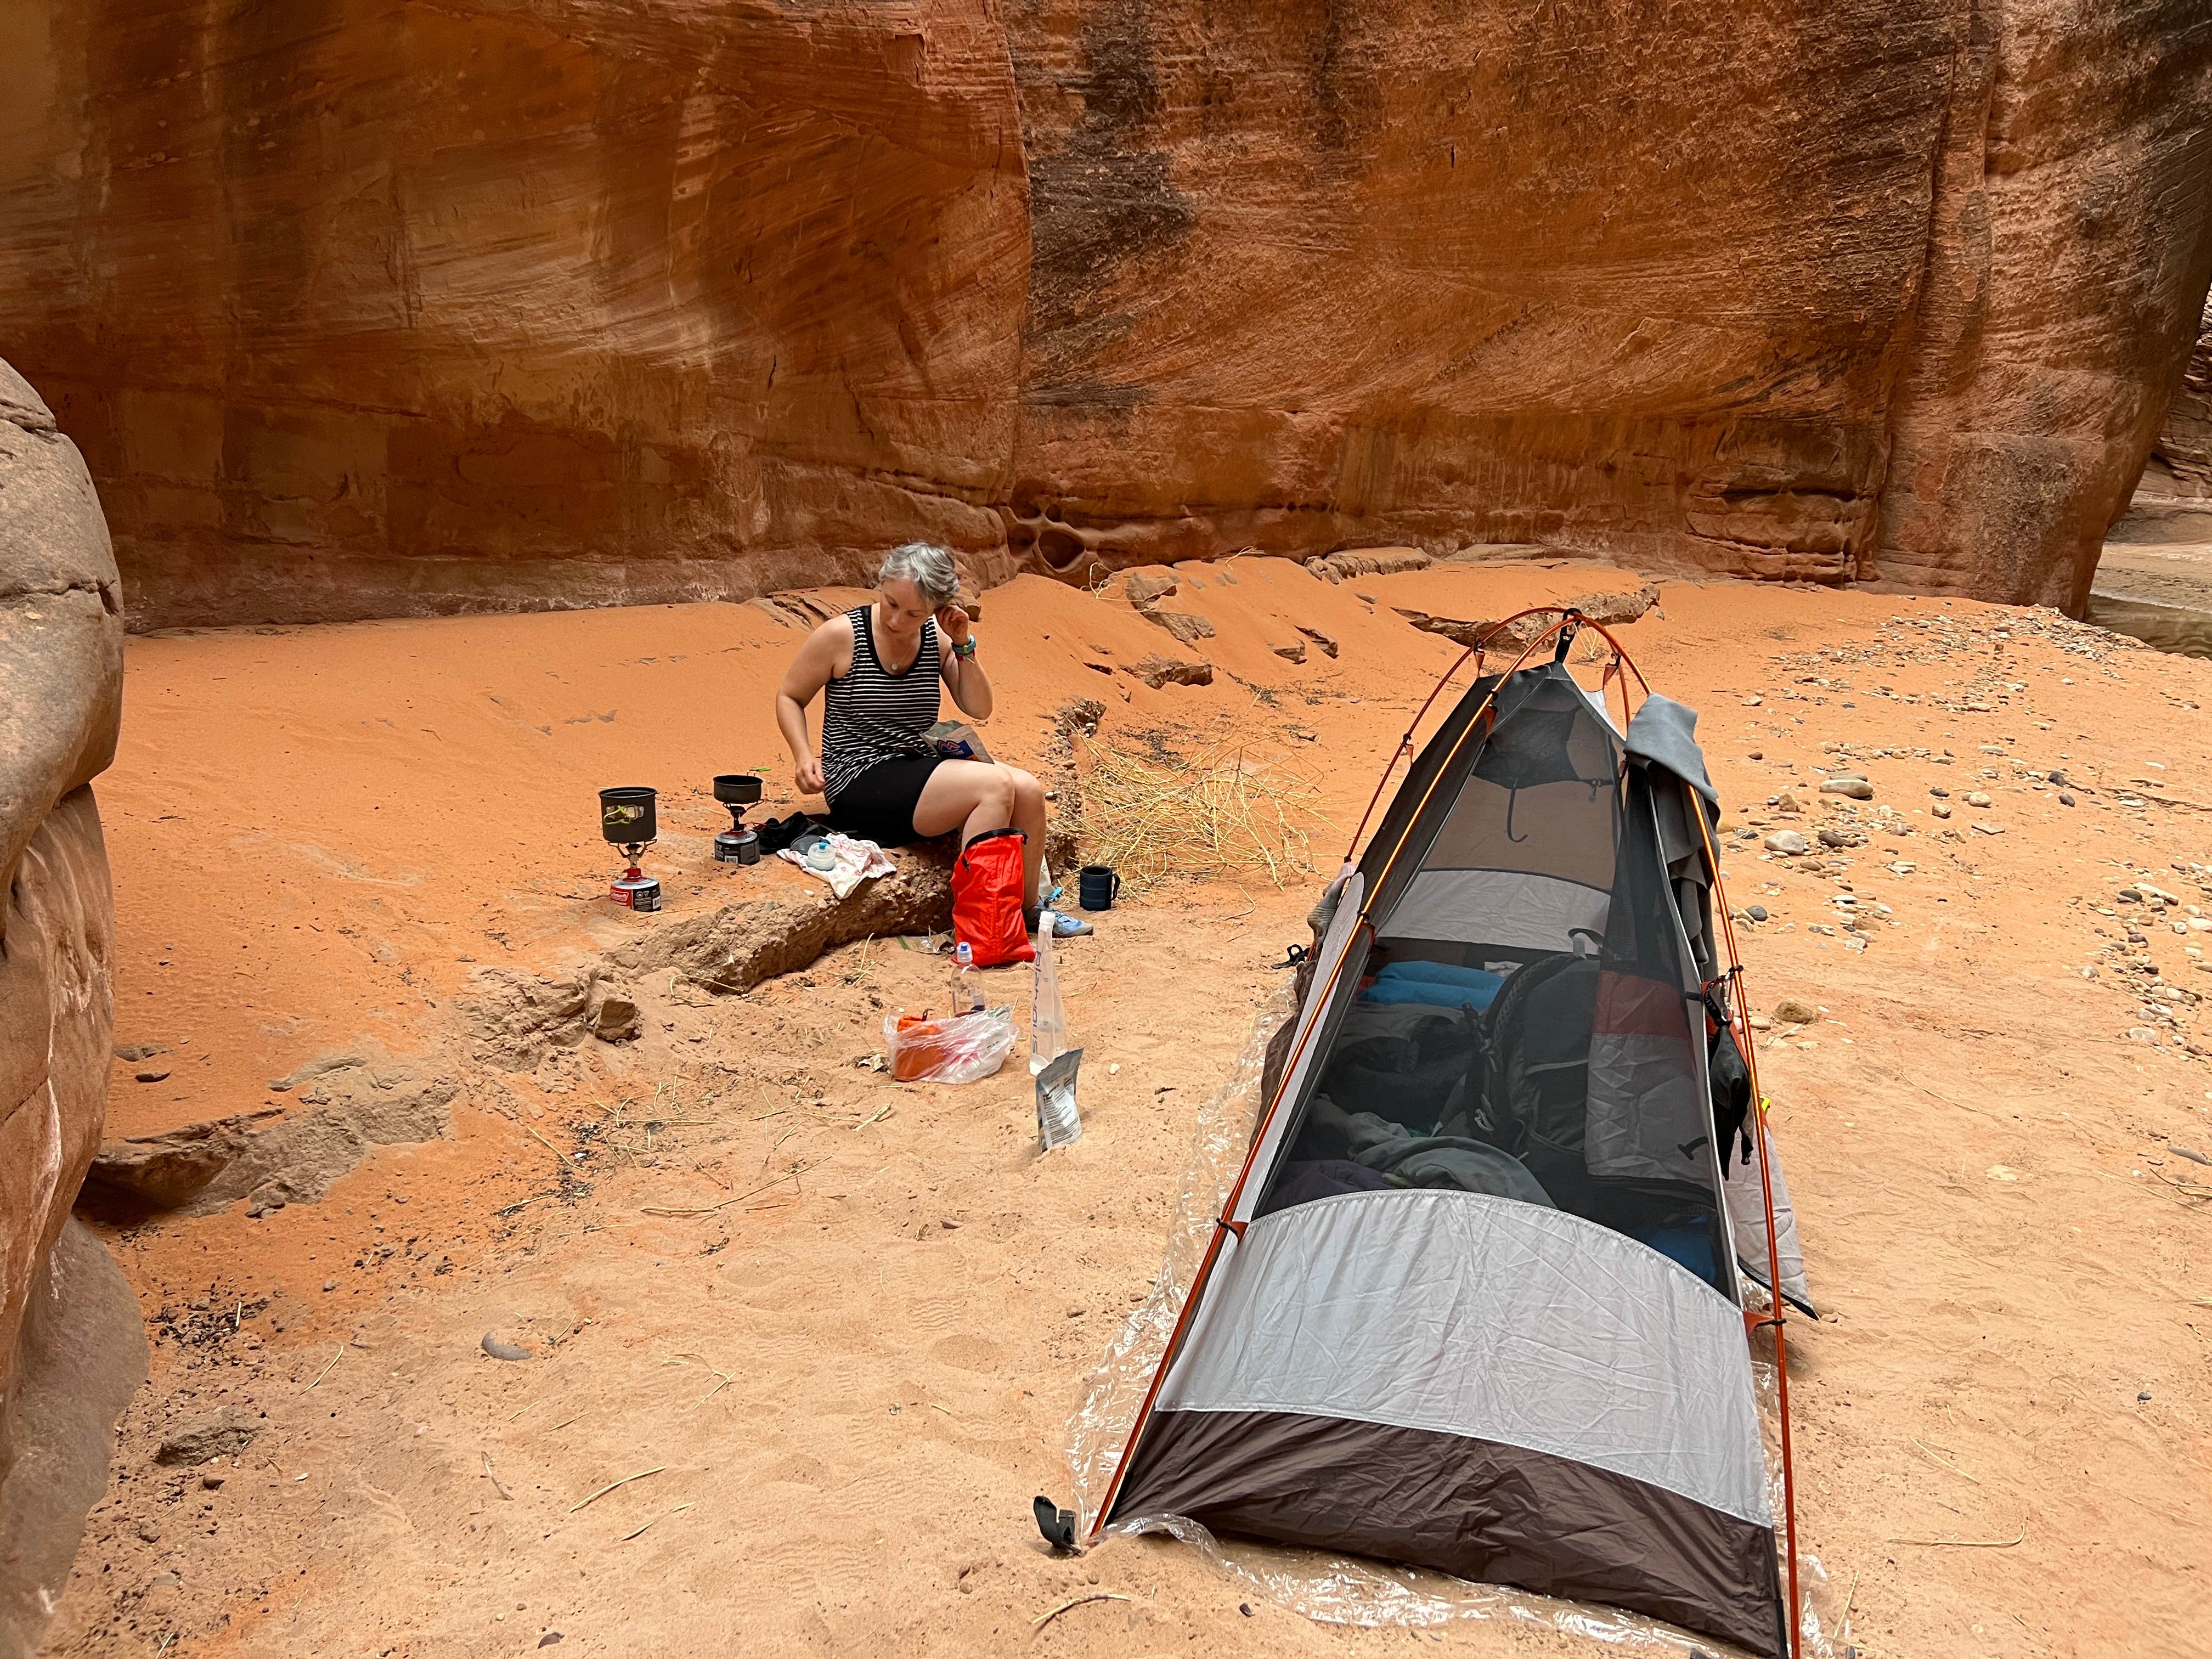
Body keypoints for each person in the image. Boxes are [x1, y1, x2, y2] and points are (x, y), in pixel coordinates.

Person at [775, 543, 1087, 936]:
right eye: (891, 603)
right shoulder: (842, 636)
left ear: (936, 610)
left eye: (914, 614)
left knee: (1028, 789)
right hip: (858, 776)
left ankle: (1028, 910)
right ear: (881, 584)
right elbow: (790, 696)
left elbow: (979, 707)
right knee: (994, 786)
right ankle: (981, 926)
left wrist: (962, 643)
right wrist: (803, 755)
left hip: (914, 769)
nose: (896, 620)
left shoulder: (935, 639)